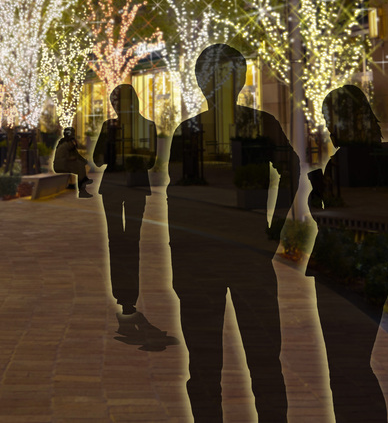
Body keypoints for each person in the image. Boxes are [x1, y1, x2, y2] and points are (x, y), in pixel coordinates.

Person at [167, 43, 299, 422]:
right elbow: (177, 200)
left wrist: (275, 228)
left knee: (241, 360)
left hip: (224, 256)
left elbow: (176, 200)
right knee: (239, 361)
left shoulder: (195, 130)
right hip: (231, 254)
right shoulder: (247, 126)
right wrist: (274, 229)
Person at [309, 84, 388, 422]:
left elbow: (339, 224)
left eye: (330, 122)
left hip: (338, 271)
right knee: (357, 361)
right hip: (375, 270)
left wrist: (319, 208)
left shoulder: (342, 163)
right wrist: (384, 249)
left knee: (342, 365)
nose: (329, 130)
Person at [92, 84, 157, 323]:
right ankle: (122, 295)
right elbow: (97, 160)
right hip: (113, 188)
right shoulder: (109, 127)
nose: (117, 106)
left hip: (133, 187)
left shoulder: (147, 126)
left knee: (130, 240)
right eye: (114, 102)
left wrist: (131, 156)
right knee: (117, 240)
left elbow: (150, 160)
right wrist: (109, 141)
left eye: (120, 101)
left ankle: (129, 295)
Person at [52, 127, 90, 196]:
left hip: (60, 164)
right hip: (62, 165)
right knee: (80, 166)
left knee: (80, 164)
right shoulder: (68, 143)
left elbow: (75, 154)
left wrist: (83, 160)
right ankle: (82, 190)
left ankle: (76, 183)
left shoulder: (62, 141)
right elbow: (75, 153)